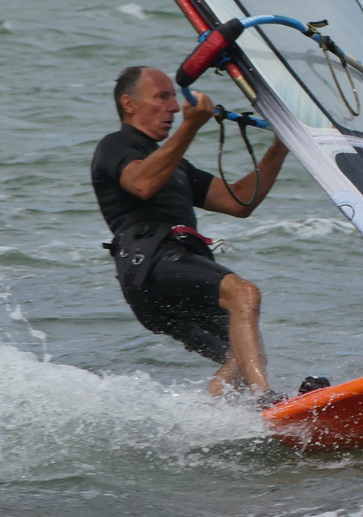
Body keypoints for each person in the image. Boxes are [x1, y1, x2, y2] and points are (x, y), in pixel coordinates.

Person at [91, 65, 289, 404]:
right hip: (151, 261)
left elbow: (239, 201)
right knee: (244, 294)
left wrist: (280, 148)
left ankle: (216, 417)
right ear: (129, 104)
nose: (173, 106)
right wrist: (191, 126)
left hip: (161, 276)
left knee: (242, 352)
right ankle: (266, 397)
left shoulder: (176, 166)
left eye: (173, 97)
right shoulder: (115, 145)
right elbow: (141, 183)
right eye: (162, 97)